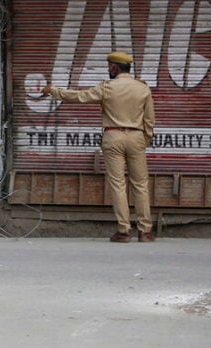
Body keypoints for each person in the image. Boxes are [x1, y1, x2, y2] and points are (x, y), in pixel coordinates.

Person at [41, 51, 156, 243]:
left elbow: (79, 97)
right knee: (141, 185)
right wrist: (145, 139)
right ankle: (145, 231)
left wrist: (54, 90)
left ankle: (124, 231)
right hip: (137, 136)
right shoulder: (142, 88)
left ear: (114, 67)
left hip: (112, 135)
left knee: (118, 185)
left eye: (109, 66)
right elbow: (150, 119)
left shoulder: (107, 87)